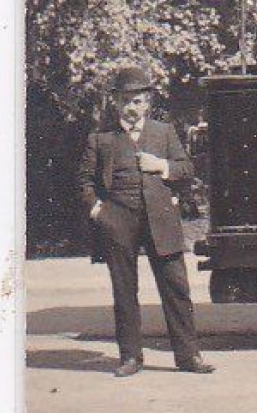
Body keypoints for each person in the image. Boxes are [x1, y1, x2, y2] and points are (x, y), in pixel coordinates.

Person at [77, 65, 213, 377]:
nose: (132, 107)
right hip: (118, 222)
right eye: (126, 100)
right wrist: (100, 212)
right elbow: (83, 182)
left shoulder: (163, 132)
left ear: (148, 102)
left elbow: (186, 169)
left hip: (161, 221)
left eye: (138, 101)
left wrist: (161, 165)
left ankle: (189, 357)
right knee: (124, 291)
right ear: (116, 101)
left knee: (176, 288)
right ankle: (130, 358)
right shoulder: (101, 138)